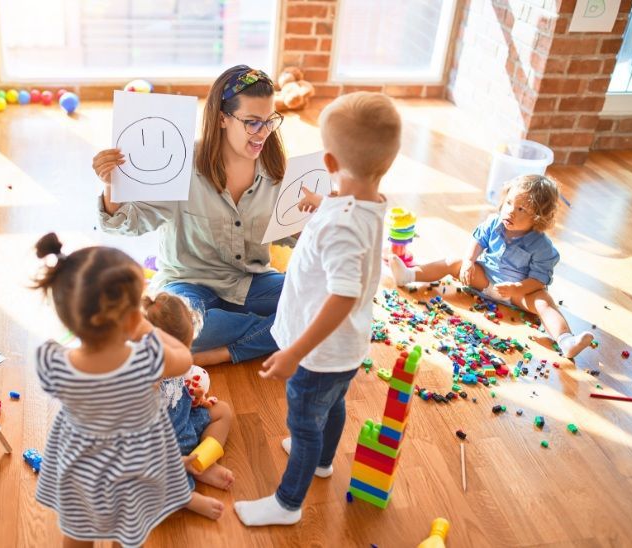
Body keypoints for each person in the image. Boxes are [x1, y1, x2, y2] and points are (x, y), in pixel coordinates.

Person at [234, 92, 402, 526]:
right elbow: (347, 210)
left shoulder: (343, 223)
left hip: (318, 353)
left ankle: (288, 503)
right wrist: (321, 201)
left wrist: (294, 352)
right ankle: (325, 461)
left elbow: (342, 296)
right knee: (333, 403)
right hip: (345, 351)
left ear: (329, 162)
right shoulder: (366, 203)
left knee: (304, 421)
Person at [30, 233, 222, 548]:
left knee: (78, 532)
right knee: (129, 530)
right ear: (133, 318)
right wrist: (148, 330)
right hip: (132, 469)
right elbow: (185, 356)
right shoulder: (147, 360)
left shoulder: (52, 360)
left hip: (81, 470)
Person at [93, 65, 291, 367]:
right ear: (223, 118)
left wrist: (320, 218)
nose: (262, 133)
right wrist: (111, 186)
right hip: (188, 283)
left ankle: (224, 350)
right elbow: (128, 223)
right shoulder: (182, 163)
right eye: (252, 123)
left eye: (269, 121)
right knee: (173, 327)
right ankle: (276, 329)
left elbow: (291, 231)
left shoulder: (275, 171)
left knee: (323, 299)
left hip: (250, 284)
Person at [389, 174, 594, 359]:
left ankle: (566, 341)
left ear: (538, 217)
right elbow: (477, 241)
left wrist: (518, 288)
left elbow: (539, 279)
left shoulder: (542, 247)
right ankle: (409, 274)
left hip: (519, 295)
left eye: (521, 209)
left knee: (544, 302)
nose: (511, 212)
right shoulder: (494, 223)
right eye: (509, 203)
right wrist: (469, 262)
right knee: (453, 261)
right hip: (484, 279)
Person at [142, 292, 235, 492]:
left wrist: (197, 400)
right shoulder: (144, 382)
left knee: (223, 411)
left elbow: (178, 394)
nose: (187, 358)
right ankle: (188, 470)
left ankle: (203, 461)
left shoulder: (175, 365)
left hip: (185, 425)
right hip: (161, 450)